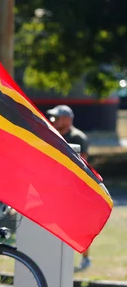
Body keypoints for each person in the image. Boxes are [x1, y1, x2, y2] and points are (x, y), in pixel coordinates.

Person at [47, 104, 92, 271]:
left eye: (57, 117)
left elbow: (83, 164)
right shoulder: (53, 135)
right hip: (56, 187)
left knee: (79, 224)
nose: (53, 120)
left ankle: (85, 259)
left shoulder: (77, 137)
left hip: (75, 189)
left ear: (67, 119)